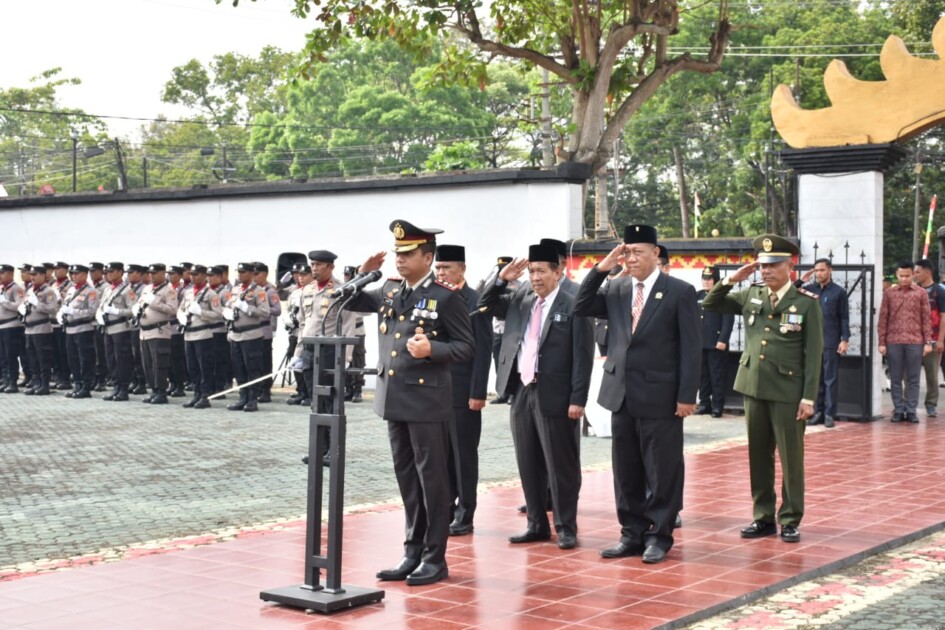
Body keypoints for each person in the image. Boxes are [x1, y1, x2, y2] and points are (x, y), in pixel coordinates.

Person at [345, 219, 474, 587]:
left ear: (428, 257)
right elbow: (350, 298)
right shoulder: (388, 291)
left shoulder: (446, 298)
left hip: (427, 401)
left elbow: (467, 347)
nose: (400, 260)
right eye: (397, 254)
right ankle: (412, 551)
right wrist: (362, 273)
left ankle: (435, 557)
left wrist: (434, 349)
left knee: (432, 480)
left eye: (408, 254)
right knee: (408, 480)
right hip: (394, 400)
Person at [574, 224, 700, 564]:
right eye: (626, 253)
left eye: (638, 252)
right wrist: (602, 268)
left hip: (662, 395)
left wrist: (687, 395)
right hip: (621, 394)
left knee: (662, 468)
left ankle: (659, 535)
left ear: (656, 253)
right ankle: (631, 533)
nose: (631, 259)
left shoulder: (679, 291)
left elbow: (691, 348)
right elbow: (581, 305)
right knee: (625, 469)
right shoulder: (616, 289)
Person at [702, 234, 823, 543]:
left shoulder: (805, 304)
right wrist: (732, 279)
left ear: (790, 266)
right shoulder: (750, 294)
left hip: (788, 391)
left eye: (773, 265)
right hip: (753, 386)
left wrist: (808, 397)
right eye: (763, 265)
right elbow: (710, 302)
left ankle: (791, 517)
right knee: (758, 455)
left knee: (790, 457)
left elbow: (813, 354)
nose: (766, 271)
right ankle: (763, 517)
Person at [480, 244, 593, 550]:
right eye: (532, 271)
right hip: (521, 389)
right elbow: (484, 305)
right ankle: (536, 524)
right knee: (528, 460)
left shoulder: (574, 303)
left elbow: (583, 356)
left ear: (559, 272)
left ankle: (566, 526)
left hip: (555, 392)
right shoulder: (521, 298)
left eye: (542, 270)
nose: (535, 277)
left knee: (561, 464)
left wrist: (578, 399)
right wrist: (502, 280)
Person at [434, 244, 493, 537]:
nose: (441, 273)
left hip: (463, 391)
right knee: (442, 455)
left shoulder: (475, 301)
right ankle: (445, 506)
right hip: (435, 391)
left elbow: (483, 350)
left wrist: (478, 391)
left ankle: (465, 512)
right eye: (438, 268)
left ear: (462, 269)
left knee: (463, 455)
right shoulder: (433, 297)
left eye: (447, 268)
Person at [291, 249, 356, 463]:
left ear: (331, 267)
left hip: (330, 351)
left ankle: (334, 452)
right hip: (310, 350)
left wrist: (346, 356)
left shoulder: (340, 290)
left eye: (319, 265)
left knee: (331, 403)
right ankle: (319, 449)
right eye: (313, 264)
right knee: (315, 402)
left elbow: (347, 324)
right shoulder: (306, 290)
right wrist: (298, 353)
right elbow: (304, 323)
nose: (314, 268)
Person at [798, 258, 851, 427]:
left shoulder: (838, 292)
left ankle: (829, 414)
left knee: (830, 379)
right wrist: (801, 280)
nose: (819, 273)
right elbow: (790, 293)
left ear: (830, 270)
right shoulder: (808, 290)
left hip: (830, 340)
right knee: (815, 379)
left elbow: (844, 317)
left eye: (822, 270)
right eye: (816, 270)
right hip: (810, 342)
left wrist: (845, 339)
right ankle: (817, 412)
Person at [878, 261, 932, 423]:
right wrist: (881, 342)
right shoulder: (889, 293)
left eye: (907, 276)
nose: (904, 279)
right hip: (893, 340)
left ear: (913, 275)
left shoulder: (921, 293)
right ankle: (898, 410)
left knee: (913, 378)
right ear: (896, 275)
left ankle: (911, 410)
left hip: (915, 341)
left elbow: (926, 319)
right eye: (901, 276)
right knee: (895, 377)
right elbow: (883, 318)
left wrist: (928, 342)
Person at [222, 262, 271, 412]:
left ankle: (252, 399)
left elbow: (265, 312)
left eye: (243, 272)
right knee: (238, 368)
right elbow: (229, 305)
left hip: (251, 335)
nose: (240, 275)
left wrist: (247, 308)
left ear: (251, 274)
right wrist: (226, 312)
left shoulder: (259, 291)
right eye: (239, 272)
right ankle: (242, 397)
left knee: (252, 368)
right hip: (235, 334)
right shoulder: (235, 289)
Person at [178, 265, 224, 409]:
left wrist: (201, 312)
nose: (192, 277)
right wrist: (181, 316)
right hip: (189, 334)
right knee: (192, 367)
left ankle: (205, 396)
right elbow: (180, 308)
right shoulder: (188, 292)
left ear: (204, 276)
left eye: (196, 274)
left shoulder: (211, 294)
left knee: (205, 367)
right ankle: (196, 394)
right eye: (191, 274)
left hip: (203, 334)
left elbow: (218, 315)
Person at [133, 264, 179, 405]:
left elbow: (172, 310)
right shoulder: (147, 289)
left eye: (155, 273)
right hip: (144, 331)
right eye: (150, 273)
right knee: (148, 364)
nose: (152, 275)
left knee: (159, 364)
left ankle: (161, 392)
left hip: (159, 331)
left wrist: (154, 302)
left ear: (162, 273)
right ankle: (154, 390)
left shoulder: (169, 290)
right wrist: (136, 309)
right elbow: (140, 303)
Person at [696, 265, 734, 418]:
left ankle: (717, 406)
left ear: (716, 280)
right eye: (704, 279)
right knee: (702, 376)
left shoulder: (723, 297)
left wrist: (723, 339)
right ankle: (704, 403)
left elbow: (728, 320)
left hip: (716, 343)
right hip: (700, 342)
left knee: (716, 376)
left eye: (709, 279)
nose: (706, 282)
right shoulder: (697, 295)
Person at [97, 262, 137, 402]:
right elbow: (101, 306)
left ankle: (123, 389)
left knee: (122, 359)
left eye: (112, 271)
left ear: (120, 272)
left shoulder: (127, 290)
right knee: (111, 359)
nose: (109, 274)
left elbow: (133, 310)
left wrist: (117, 311)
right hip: (108, 328)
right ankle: (116, 386)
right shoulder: (108, 290)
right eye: (107, 271)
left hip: (121, 328)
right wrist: (99, 315)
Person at [59, 264, 100, 399]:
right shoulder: (71, 290)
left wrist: (72, 312)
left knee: (85, 359)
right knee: (73, 359)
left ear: (85, 275)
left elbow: (91, 312)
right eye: (72, 274)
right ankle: (77, 384)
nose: (74, 276)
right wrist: (61, 314)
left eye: (77, 274)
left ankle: (86, 387)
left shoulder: (91, 291)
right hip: (70, 329)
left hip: (83, 329)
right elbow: (65, 305)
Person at [913, 259, 945, 417]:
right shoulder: (914, 290)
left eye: (918, 272)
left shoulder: (939, 291)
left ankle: (931, 404)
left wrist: (941, 340)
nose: (915, 275)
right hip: (914, 339)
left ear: (928, 272)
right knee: (911, 374)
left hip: (933, 339)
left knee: (932, 374)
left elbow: (943, 316)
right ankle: (908, 403)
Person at [20, 265, 58, 396]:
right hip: (29, 329)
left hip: (42, 328)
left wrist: (38, 304)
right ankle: (36, 383)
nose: (32, 277)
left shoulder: (48, 291)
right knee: (32, 358)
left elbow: (53, 309)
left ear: (43, 275)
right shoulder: (30, 290)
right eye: (31, 275)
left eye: (35, 275)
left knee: (43, 358)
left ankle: (45, 384)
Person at [254, 262, 282, 403]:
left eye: (256, 274)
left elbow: (277, 310)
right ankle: (256, 389)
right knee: (255, 363)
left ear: (264, 274)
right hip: (252, 331)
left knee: (265, 363)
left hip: (264, 331)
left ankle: (265, 390)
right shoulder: (252, 290)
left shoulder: (270, 290)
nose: (254, 277)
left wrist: (262, 309)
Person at [284, 263, 311, 406]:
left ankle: (309, 393)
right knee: (295, 363)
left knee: (306, 365)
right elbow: (290, 309)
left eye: (304, 274)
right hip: (295, 332)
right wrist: (288, 319)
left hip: (307, 333)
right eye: (298, 275)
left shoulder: (311, 291)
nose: (300, 277)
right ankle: (301, 391)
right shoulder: (295, 292)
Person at [0, 264, 27, 393]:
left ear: (10, 274)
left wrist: (4, 302)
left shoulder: (17, 289)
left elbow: (20, 306)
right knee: (2, 356)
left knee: (11, 355)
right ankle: (5, 380)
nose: (0, 276)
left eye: (2, 273)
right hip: (1, 326)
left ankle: (12, 382)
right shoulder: (1, 289)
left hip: (11, 325)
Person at [125, 264, 149, 395]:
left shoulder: (144, 289)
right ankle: (133, 380)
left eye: (131, 272)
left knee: (138, 355)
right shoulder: (126, 288)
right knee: (129, 355)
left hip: (138, 326)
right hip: (128, 325)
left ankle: (141, 382)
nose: (128, 275)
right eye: (127, 273)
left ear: (140, 274)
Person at [167, 265, 190, 398]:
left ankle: (179, 385)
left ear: (180, 275)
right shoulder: (169, 289)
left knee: (177, 359)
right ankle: (173, 383)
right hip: (167, 327)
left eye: (174, 274)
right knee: (169, 359)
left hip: (177, 326)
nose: (171, 276)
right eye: (169, 274)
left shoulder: (184, 290)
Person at [88, 262, 110, 392]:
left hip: (100, 324)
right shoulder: (92, 287)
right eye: (90, 271)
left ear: (101, 272)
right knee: (92, 354)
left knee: (100, 354)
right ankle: (94, 378)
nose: (92, 274)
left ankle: (101, 379)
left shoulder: (106, 287)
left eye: (94, 271)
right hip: (91, 324)